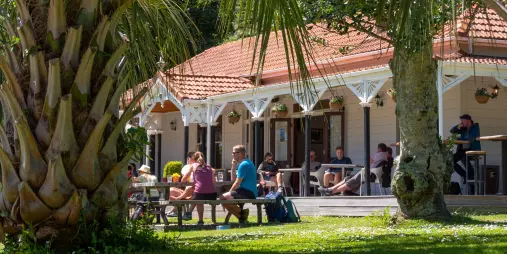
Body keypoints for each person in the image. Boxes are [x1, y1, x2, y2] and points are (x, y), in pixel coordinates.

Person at [318, 143, 388, 196]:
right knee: (347, 178)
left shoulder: (380, 155)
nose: (339, 154)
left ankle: (332, 191)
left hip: (369, 174)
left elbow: (369, 160)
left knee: (348, 180)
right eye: (338, 153)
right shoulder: (385, 156)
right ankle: (330, 189)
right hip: (369, 173)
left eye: (341, 152)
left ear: (379, 149)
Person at [219, 145, 257, 223]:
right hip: (245, 191)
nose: (232, 154)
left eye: (234, 153)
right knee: (223, 198)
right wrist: (233, 166)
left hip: (248, 192)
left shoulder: (244, 165)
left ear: (240, 154)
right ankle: (241, 216)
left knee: (222, 197)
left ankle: (242, 214)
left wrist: (229, 192)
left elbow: (237, 183)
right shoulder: (244, 163)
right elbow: (233, 180)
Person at [181, 152, 217, 226]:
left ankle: (198, 219)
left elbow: (183, 180)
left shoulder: (193, 166)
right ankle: (189, 213)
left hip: (200, 193)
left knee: (197, 198)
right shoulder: (210, 167)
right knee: (197, 196)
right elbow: (214, 181)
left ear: (194, 159)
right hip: (213, 194)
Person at [450, 114, 481, 184]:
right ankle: (465, 175)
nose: (462, 122)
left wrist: (461, 138)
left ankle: (471, 176)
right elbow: (452, 131)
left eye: (463, 121)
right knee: (451, 160)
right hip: (463, 150)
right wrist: (459, 126)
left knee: (464, 157)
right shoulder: (463, 129)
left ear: (468, 121)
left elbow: (472, 138)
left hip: (472, 149)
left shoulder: (475, 127)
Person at [167, 152, 196, 219]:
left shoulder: (196, 167)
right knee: (171, 190)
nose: (189, 159)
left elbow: (184, 180)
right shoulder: (187, 167)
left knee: (174, 191)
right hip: (189, 190)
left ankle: (177, 209)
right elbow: (184, 180)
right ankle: (177, 209)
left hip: (194, 191)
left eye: (190, 158)